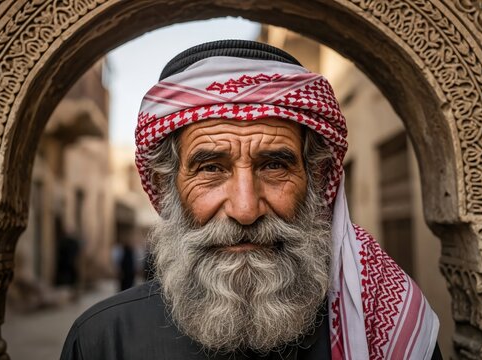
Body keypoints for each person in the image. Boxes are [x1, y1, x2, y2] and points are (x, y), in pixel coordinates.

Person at [61, 40, 442, 359]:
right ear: (166, 186)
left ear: (316, 178)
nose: (245, 209)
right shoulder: (104, 341)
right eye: (210, 168)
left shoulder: (383, 331)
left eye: (274, 165)